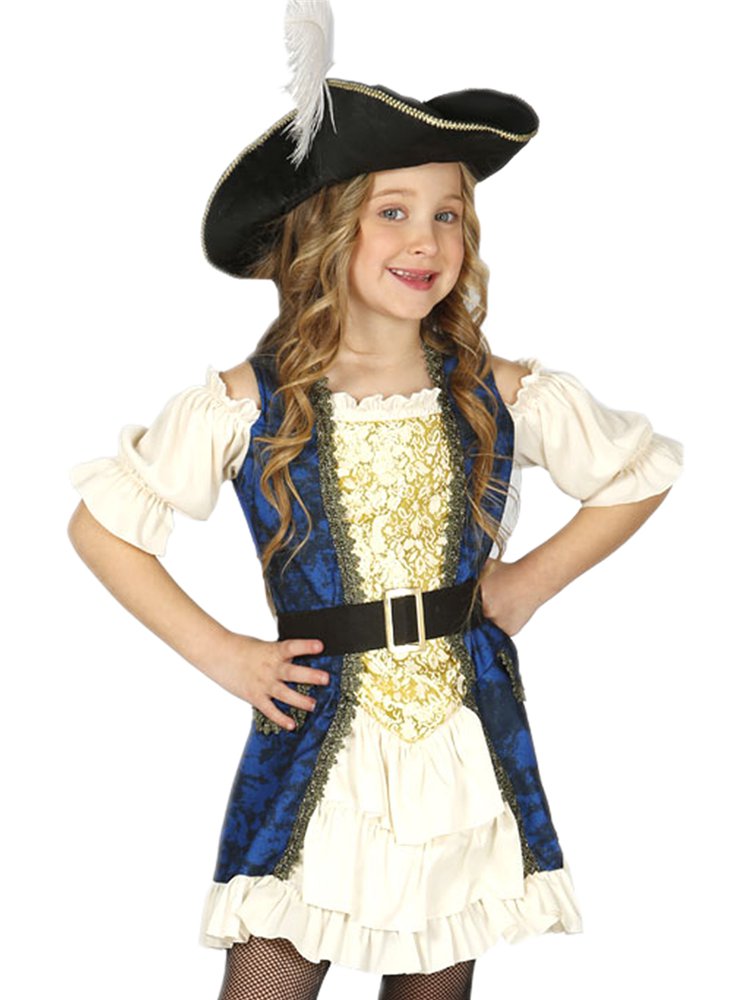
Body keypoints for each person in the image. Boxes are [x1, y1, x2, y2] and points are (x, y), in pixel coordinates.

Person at [66, 16, 684, 1000]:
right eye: (392, 211)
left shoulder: (497, 391)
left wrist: (527, 582)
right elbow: (104, 529)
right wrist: (227, 655)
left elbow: (638, 471)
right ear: (326, 226)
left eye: (448, 215)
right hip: (318, 737)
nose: (425, 239)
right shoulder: (251, 403)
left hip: (458, 742)